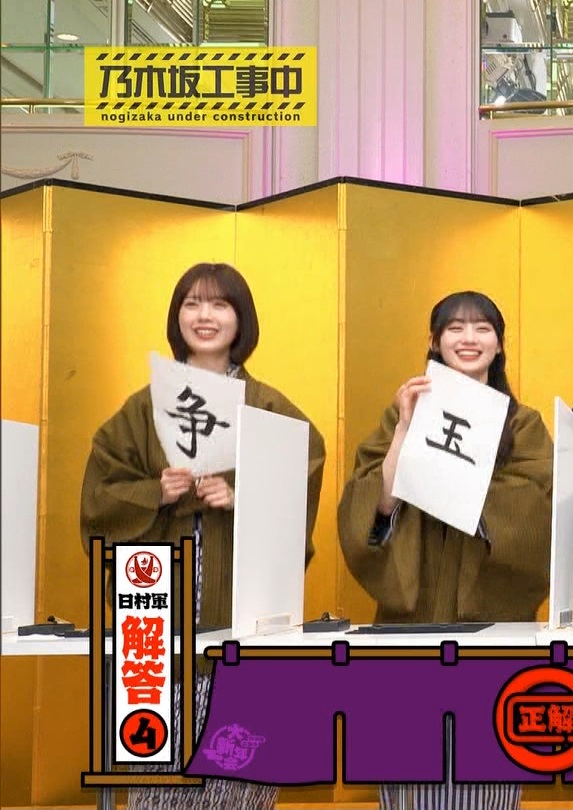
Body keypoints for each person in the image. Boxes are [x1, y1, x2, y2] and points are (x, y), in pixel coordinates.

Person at [81, 262, 326, 810]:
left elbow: (301, 474)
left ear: (241, 319)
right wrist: (154, 493)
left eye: (219, 304)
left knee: (237, 781)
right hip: (156, 616)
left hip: (241, 614)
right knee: (156, 778)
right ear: (177, 316)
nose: (204, 315)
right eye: (192, 303)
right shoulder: (142, 409)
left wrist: (242, 495)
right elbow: (100, 494)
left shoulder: (270, 407)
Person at [338, 291, 553, 810]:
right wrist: (406, 429)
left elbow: (536, 507)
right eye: (455, 328)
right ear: (434, 342)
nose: (469, 338)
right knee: (406, 774)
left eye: (482, 328)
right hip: (408, 623)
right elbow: (373, 505)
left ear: (499, 344)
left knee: (488, 776)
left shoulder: (522, 424)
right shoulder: (400, 414)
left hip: (493, 627)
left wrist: (458, 485)